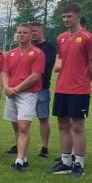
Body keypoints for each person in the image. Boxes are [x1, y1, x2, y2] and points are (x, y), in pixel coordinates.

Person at [50, 3, 92, 177]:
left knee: (77, 127)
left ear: (78, 16)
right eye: (64, 16)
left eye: (69, 16)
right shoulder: (61, 38)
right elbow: (61, 60)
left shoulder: (87, 38)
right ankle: (65, 161)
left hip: (79, 90)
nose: (66, 19)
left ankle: (79, 164)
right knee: (62, 125)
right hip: (61, 88)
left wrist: (84, 81)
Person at [2, 24, 45, 172]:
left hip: (27, 94)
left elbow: (36, 76)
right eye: (19, 32)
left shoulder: (37, 53)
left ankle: (19, 160)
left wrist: (17, 88)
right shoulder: (11, 53)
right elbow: (5, 73)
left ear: (31, 35)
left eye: (25, 33)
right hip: (11, 93)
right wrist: (6, 87)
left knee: (23, 127)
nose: (21, 35)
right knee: (16, 126)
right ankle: (24, 157)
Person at [29, 22, 56, 158]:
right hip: (25, 89)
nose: (33, 33)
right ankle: (19, 143)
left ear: (41, 31)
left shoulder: (49, 47)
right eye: (31, 31)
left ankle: (45, 147)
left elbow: (45, 66)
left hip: (42, 88)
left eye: (35, 31)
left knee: (43, 118)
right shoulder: (27, 46)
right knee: (21, 119)